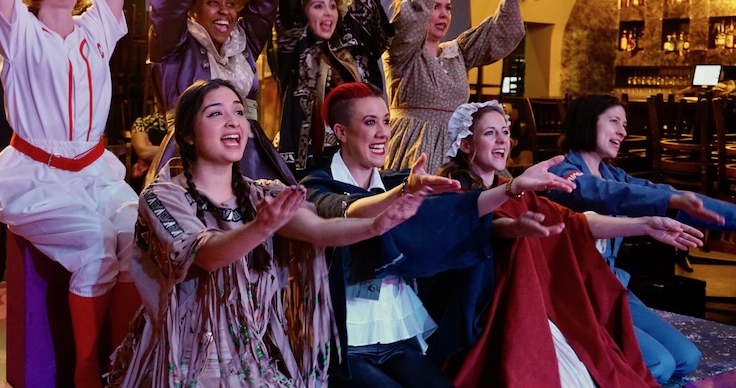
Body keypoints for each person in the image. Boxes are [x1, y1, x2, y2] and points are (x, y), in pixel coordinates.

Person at [108, 79, 429, 387]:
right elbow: (203, 254)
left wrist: (376, 226)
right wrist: (261, 227)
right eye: (216, 113)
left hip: (249, 356)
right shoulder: (162, 197)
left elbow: (318, 230)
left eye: (238, 111)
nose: (233, 121)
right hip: (185, 360)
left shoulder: (259, 195)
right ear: (188, 135)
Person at [300, 82, 576, 387]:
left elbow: (455, 210)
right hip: (342, 343)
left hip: (396, 337)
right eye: (369, 122)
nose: (383, 132)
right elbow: (348, 209)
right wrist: (403, 192)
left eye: (386, 121)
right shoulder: (317, 185)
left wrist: (513, 187)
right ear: (341, 132)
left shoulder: (398, 180)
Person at [438, 100, 704, 387]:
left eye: (504, 131)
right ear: (466, 145)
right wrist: (516, 227)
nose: (502, 140)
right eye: (490, 133)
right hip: (500, 310)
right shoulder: (456, 194)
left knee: (683, 358)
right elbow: (488, 226)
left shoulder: (521, 191)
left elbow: (578, 223)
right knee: (648, 366)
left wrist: (646, 225)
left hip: (553, 297)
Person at [0, 0, 138, 386]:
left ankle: (123, 365)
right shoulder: (19, 32)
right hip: (38, 175)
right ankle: (88, 373)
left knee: (135, 235)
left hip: (95, 171)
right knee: (94, 242)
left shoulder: (96, 30)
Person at [545, 94, 736, 383]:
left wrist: (728, 215)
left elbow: (666, 198)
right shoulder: (562, 172)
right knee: (658, 365)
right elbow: (605, 194)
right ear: (587, 122)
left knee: (686, 358)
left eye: (624, 124)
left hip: (612, 285)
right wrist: (670, 198)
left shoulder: (615, 174)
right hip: (573, 292)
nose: (623, 130)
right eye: (613, 121)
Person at [148, 0, 294, 184]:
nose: (224, 11)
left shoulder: (243, 44)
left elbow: (266, 1)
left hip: (250, 160)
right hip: (191, 159)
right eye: (213, 3)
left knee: (278, 215)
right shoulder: (173, 44)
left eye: (230, 4)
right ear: (191, 8)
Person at [384, 0, 532, 174]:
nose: (443, 14)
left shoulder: (458, 52)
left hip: (460, 155)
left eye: (448, 7)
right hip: (415, 152)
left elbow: (502, 30)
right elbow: (414, 14)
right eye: (436, 6)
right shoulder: (402, 52)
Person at [273, 0, 394, 177]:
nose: (328, 12)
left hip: (356, 157)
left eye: (331, 5)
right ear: (303, 14)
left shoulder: (349, 42)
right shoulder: (295, 48)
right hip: (309, 164)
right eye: (318, 6)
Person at [130, 109, 167, 191]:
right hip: (149, 183)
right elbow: (144, 152)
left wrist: (154, 155)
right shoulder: (143, 123)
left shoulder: (190, 125)